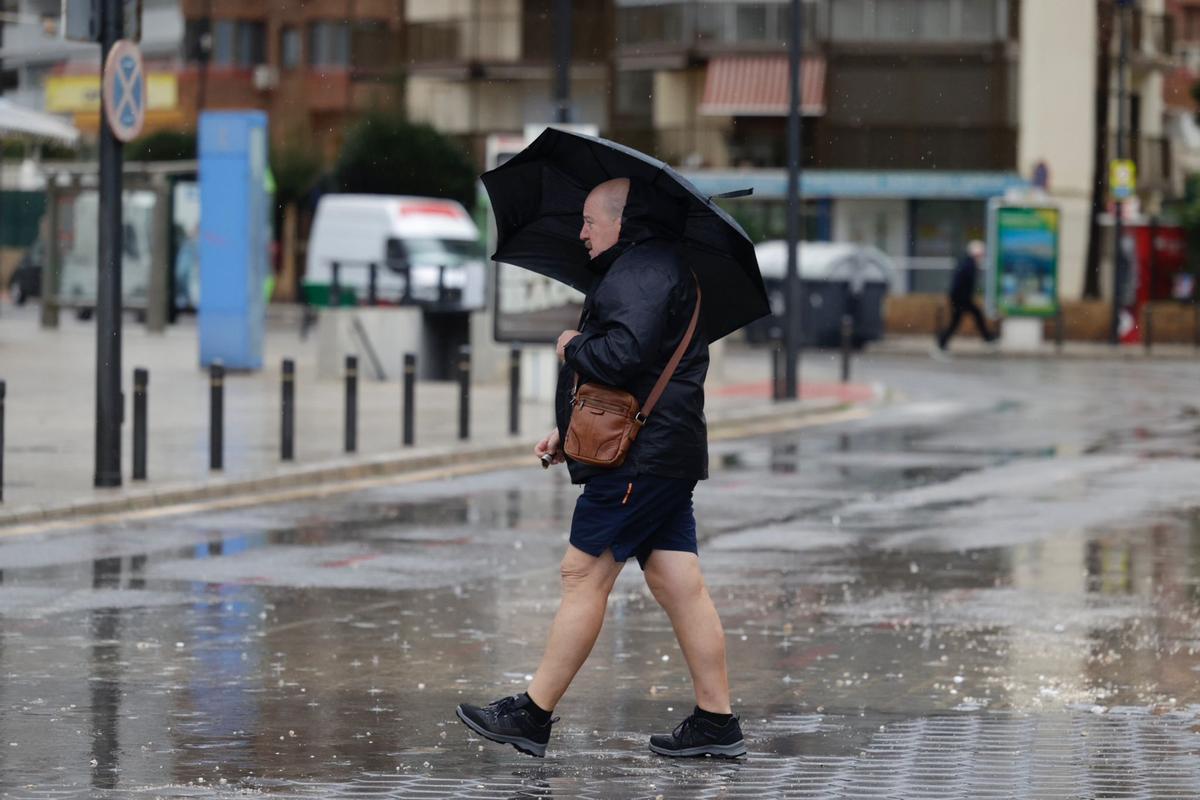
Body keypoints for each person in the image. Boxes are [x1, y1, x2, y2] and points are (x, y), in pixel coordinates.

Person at [456, 177, 746, 760]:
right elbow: (636, 369)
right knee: (677, 583)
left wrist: (571, 345)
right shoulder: (656, 265)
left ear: (622, 221)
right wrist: (571, 434)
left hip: (639, 460)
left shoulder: (641, 271)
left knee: (583, 576)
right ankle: (716, 722)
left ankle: (532, 715)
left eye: (591, 221)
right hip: (660, 452)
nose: (581, 232)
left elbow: (621, 356)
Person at [935, 239, 996, 354]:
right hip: (960, 298)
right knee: (965, 318)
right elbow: (961, 283)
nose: (981, 257)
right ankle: (987, 338)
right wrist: (962, 296)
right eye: (981, 254)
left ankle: (942, 343)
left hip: (960, 298)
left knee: (962, 319)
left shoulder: (967, 263)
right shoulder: (969, 264)